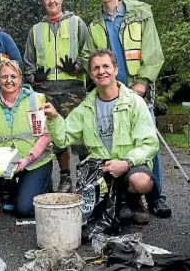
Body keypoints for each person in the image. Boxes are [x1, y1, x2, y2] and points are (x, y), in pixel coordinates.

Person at [82, 0, 171, 219]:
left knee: (147, 142)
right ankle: (125, 199)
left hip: (138, 90)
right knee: (118, 144)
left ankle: (156, 197)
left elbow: (153, 52)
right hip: (111, 95)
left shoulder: (140, 13)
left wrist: (142, 82)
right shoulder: (95, 24)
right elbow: (89, 57)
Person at [42, 49, 159, 225]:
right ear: (91, 74)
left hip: (129, 164)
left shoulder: (135, 102)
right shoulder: (86, 107)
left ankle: (133, 201)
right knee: (90, 219)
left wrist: (126, 163)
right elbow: (63, 138)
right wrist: (53, 118)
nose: (101, 71)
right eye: (96, 68)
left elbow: (149, 144)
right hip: (101, 168)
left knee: (141, 181)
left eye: (106, 66)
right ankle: (116, 202)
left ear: (116, 70)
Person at [23, 0, 89, 193]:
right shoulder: (35, 30)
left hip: (74, 90)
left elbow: (89, 51)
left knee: (80, 138)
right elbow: (28, 62)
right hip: (47, 92)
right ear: (42, 1)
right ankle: (65, 178)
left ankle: (87, 178)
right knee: (56, 139)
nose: (51, 1)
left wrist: (77, 66)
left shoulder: (77, 23)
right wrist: (35, 77)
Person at [0, 60, 54, 217]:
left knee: (25, 209)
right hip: (9, 165)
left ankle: (42, 186)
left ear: (20, 79)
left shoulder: (34, 100)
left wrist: (27, 159)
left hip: (35, 162)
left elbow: (45, 136)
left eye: (13, 76)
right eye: (4, 77)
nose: (9, 81)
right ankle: (9, 191)